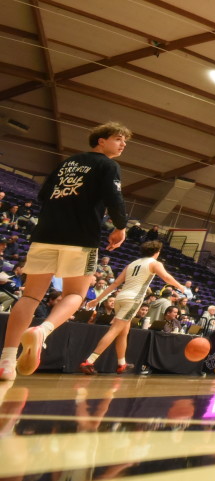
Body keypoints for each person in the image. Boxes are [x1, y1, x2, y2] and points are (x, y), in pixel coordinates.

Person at [1, 122, 131, 380]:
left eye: (125, 141)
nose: (123, 144)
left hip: (45, 235)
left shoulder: (66, 164)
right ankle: (43, 330)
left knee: (29, 297)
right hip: (80, 238)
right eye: (118, 139)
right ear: (101, 141)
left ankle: (6, 361)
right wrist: (121, 227)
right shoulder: (108, 165)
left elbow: (43, 194)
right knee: (75, 294)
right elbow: (114, 200)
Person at [79, 240, 184, 374]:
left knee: (124, 331)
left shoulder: (132, 264)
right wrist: (180, 287)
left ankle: (121, 363)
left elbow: (116, 282)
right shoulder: (154, 263)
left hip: (121, 298)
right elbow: (166, 277)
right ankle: (89, 361)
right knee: (115, 329)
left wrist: (98, 299)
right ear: (157, 253)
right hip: (133, 300)